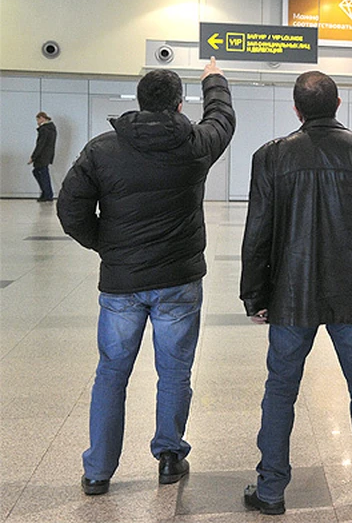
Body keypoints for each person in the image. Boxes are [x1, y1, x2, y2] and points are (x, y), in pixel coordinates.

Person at [57, 58, 235, 496]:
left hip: (122, 284)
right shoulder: (195, 143)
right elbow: (222, 118)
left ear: (139, 102)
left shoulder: (102, 149)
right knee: (174, 372)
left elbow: (69, 208)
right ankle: (169, 457)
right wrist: (213, 79)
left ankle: (98, 471)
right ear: (178, 103)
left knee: (111, 374)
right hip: (179, 280)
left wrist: (106, 244)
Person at [240, 71, 352, 515]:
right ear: (338, 104)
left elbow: (258, 233)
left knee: (280, 390)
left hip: (291, 295)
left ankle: (270, 490)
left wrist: (255, 295)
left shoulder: (271, 156)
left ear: (296, 109)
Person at [29, 111, 57, 201]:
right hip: (47, 155)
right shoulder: (52, 128)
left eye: (38, 119)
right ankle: (46, 193)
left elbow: (40, 145)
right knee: (40, 173)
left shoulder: (44, 129)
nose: (37, 121)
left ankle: (47, 194)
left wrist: (33, 157)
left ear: (42, 118)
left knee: (41, 174)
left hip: (42, 156)